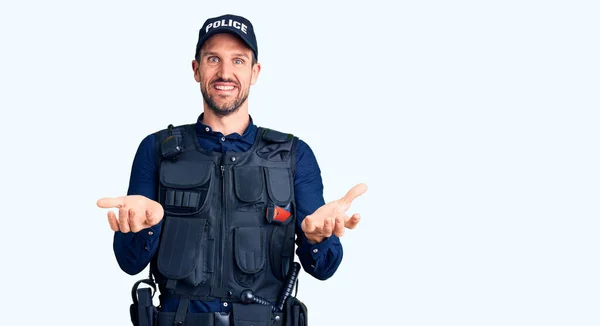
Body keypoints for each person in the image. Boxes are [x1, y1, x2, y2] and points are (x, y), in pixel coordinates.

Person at [97, 13, 367, 326]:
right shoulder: (156, 150)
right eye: (214, 59)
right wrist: (146, 226)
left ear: (255, 72)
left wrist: (316, 239)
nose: (225, 72)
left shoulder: (294, 155)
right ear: (197, 69)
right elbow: (129, 262)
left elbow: (324, 269)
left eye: (238, 60)